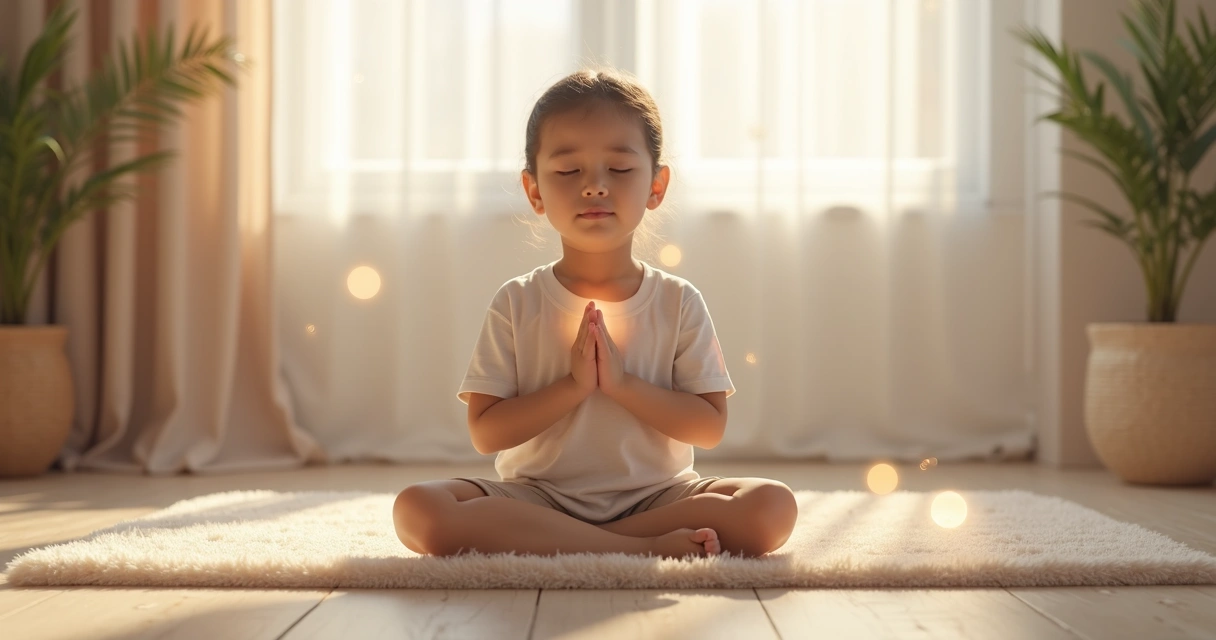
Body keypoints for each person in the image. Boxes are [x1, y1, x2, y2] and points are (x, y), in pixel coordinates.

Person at [393, 68, 798, 559]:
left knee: (771, 505)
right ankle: (640, 548)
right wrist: (573, 386)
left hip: (658, 498)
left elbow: (708, 427)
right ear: (534, 191)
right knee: (418, 509)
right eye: (568, 171)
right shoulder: (516, 301)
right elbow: (486, 433)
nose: (594, 187)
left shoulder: (679, 301)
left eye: (620, 169)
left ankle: (583, 544)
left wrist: (622, 385)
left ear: (657, 185)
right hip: (537, 500)